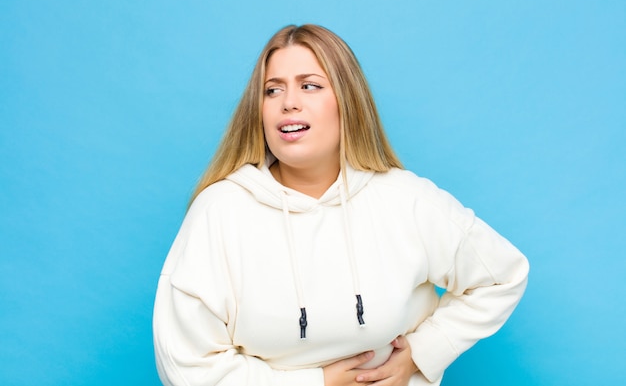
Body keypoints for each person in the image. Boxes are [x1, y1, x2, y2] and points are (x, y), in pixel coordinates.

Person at [152, 24, 529, 386]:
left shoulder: (403, 199)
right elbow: (186, 367)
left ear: (346, 101)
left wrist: (422, 352)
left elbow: (501, 275)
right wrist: (315, 383)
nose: (289, 103)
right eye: (272, 90)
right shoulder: (220, 211)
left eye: (310, 86)